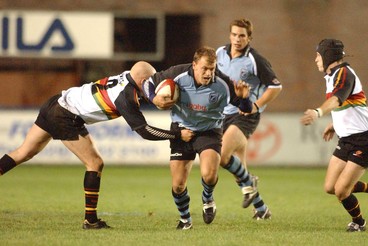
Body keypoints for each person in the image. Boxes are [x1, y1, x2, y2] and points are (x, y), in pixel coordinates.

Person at [0, 61, 194, 229]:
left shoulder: (129, 77)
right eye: (151, 83)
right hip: (65, 115)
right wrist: (176, 135)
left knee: (22, 153)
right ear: (143, 81)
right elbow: (144, 131)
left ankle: (91, 220)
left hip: (56, 102)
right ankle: (90, 220)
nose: (154, 86)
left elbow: (152, 74)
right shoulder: (126, 96)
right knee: (95, 163)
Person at [142, 46, 252, 230]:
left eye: (212, 68)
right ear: (194, 65)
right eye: (205, 69)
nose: (209, 73)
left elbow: (246, 110)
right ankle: (185, 220)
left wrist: (244, 98)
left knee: (209, 175)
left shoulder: (223, 83)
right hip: (181, 129)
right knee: (178, 185)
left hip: (209, 130)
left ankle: (207, 198)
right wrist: (154, 99)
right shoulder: (177, 74)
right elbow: (147, 84)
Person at [300, 38, 368, 232]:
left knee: (341, 191)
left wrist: (318, 113)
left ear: (327, 55)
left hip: (364, 140)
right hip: (347, 139)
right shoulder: (333, 76)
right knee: (330, 187)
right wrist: (335, 124)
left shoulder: (344, 73)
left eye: (318, 55)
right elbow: (351, 104)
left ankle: (359, 222)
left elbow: (337, 100)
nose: (315, 59)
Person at [216, 18, 282, 220]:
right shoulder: (219, 53)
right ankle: (262, 209)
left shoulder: (255, 60)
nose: (237, 39)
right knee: (240, 171)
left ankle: (249, 182)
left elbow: (276, 87)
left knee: (222, 156)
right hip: (222, 115)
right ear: (229, 35)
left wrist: (255, 105)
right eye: (234, 34)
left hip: (245, 115)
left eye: (242, 35)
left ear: (249, 38)